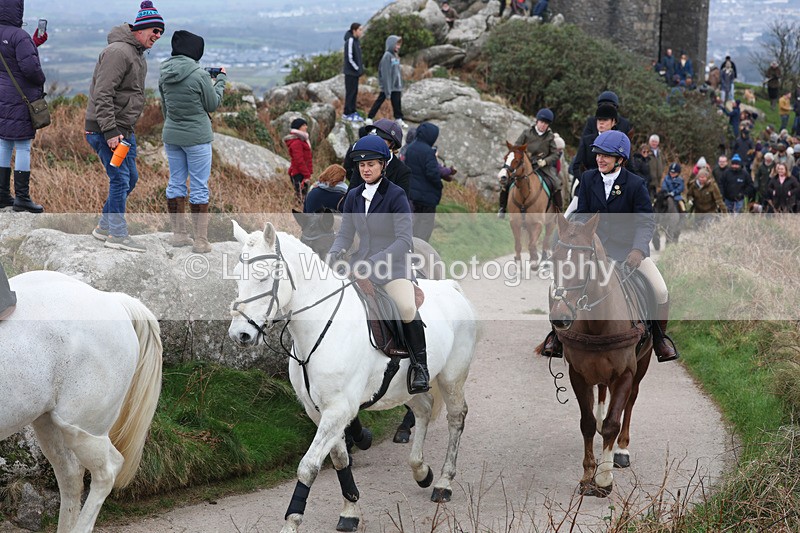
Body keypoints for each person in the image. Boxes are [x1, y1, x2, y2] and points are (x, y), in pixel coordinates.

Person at [541, 130, 679, 363]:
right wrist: (573, 240)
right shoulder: (588, 179)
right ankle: (557, 336)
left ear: (620, 160)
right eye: (598, 154)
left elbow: (645, 221)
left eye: (606, 155)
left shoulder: (635, 184)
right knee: (556, 286)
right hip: (592, 252)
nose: (599, 159)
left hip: (627, 253)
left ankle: (659, 339)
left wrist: (637, 250)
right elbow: (582, 214)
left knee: (660, 289)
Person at [328, 135, 429, 393]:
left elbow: (404, 240)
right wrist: (335, 251)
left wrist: (373, 262)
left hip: (393, 267)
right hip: (360, 265)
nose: (366, 169)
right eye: (362, 165)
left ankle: (420, 367)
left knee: (406, 307)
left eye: (371, 164)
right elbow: (345, 233)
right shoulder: (353, 196)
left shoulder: (396, 195)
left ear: (383, 165)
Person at [86, 1, 165, 252]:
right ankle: (117, 235)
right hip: (107, 130)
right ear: (140, 29)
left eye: (161, 33)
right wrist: (110, 131)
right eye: (155, 30)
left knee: (131, 178)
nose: (158, 36)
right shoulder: (119, 52)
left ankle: (104, 228)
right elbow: (103, 94)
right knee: (120, 180)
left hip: (124, 131)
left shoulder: (136, 54)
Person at [159, 30, 226, 254]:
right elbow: (212, 104)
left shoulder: (164, 72)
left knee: (176, 182)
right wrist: (221, 81)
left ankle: (179, 235)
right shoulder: (199, 74)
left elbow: (165, 108)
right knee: (199, 186)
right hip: (197, 137)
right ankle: (200, 241)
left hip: (172, 135)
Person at [0, 0, 46, 213]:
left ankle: (1, 195)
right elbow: (30, 69)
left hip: (1, 97)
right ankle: (22, 197)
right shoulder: (20, 36)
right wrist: (41, 78)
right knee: (23, 146)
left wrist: (34, 43)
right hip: (19, 99)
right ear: (17, 9)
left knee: (4, 144)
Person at [499, 108, 560, 218]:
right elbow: (516, 147)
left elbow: (555, 154)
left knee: (556, 184)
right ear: (537, 121)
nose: (543, 125)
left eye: (546, 123)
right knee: (507, 182)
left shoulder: (550, 137)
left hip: (542, 167)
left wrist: (545, 161)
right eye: (541, 122)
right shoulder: (526, 133)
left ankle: (558, 212)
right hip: (524, 166)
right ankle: (502, 208)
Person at [406, 122, 454, 241]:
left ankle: (409, 255)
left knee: (413, 229)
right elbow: (432, 173)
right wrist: (439, 185)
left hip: (411, 194)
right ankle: (419, 257)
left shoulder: (410, 148)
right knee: (424, 230)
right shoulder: (428, 152)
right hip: (426, 198)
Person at [346, 118, 410, 194]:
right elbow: (350, 195)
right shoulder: (361, 163)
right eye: (371, 139)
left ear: (392, 144)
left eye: (380, 140)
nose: (374, 143)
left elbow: (401, 202)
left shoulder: (402, 171)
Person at [570, 104, 617, 188]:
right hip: (589, 184)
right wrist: (586, 182)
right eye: (599, 120)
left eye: (605, 120)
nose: (601, 122)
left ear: (613, 122)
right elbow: (576, 166)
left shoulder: (619, 141)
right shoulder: (586, 140)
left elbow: (628, 167)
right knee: (575, 201)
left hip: (613, 185)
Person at [366, 35, 406, 129]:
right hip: (388, 86)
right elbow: (386, 74)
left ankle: (398, 118)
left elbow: (397, 72)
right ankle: (369, 117)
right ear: (391, 44)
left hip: (396, 86)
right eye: (397, 45)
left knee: (397, 102)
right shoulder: (387, 56)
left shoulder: (395, 56)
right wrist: (388, 91)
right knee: (380, 100)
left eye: (399, 45)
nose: (398, 47)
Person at [284, 117, 313, 203]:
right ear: (298, 127)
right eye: (304, 125)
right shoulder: (297, 142)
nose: (306, 127)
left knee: (302, 196)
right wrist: (306, 174)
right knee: (301, 198)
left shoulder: (302, 140)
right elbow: (299, 160)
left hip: (301, 172)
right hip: (298, 174)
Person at [342, 23, 364, 123]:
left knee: (354, 92)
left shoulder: (356, 41)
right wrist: (357, 68)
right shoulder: (350, 40)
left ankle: (353, 111)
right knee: (350, 92)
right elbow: (349, 57)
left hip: (355, 73)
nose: (361, 32)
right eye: (359, 30)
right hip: (350, 72)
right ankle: (347, 113)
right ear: (354, 30)